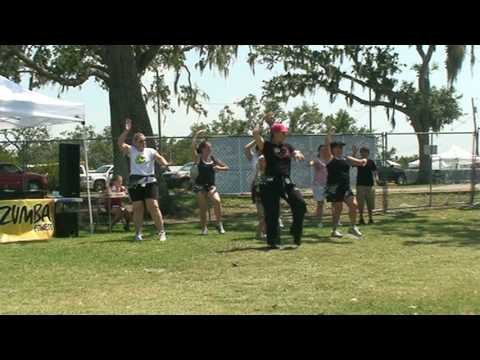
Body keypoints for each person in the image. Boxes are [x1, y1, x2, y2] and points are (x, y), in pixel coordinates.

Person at [253, 122, 307, 249]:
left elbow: (296, 152)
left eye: (285, 132)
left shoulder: (287, 146)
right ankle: (273, 242)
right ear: (274, 134)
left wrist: (298, 154)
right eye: (282, 132)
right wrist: (261, 121)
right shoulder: (266, 145)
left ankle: (295, 232)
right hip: (270, 183)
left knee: (300, 204)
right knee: (272, 213)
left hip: (285, 181)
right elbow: (256, 134)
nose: (285, 134)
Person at [118, 118, 170, 242]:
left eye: (145, 141)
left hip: (150, 181)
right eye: (141, 141)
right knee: (138, 208)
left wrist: (165, 164)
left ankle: (161, 232)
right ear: (135, 142)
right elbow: (120, 143)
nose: (144, 143)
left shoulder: (150, 151)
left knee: (154, 206)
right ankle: (138, 233)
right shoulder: (131, 150)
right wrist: (126, 131)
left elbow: (160, 158)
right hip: (135, 181)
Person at [320, 127, 367, 238]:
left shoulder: (346, 158)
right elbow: (327, 144)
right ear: (332, 149)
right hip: (334, 188)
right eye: (337, 147)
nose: (339, 149)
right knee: (338, 209)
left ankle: (352, 227)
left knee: (354, 205)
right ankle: (334, 230)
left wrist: (363, 160)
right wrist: (329, 134)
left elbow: (360, 163)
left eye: (341, 147)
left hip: (345, 187)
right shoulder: (329, 158)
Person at [192, 130, 230, 235]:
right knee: (203, 208)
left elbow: (227, 168)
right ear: (203, 149)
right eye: (208, 148)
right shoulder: (198, 158)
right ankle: (204, 228)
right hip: (199, 186)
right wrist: (197, 135)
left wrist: (218, 168)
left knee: (217, 201)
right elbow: (193, 145)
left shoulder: (213, 159)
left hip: (211, 186)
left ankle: (219, 224)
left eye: (210, 148)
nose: (210, 149)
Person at [244, 140, 267, 240]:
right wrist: (256, 138)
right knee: (261, 213)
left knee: (267, 211)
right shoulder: (254, 157)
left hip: (267, 184)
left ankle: (265, 232)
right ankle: (261, 232)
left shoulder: (268, 158)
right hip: (257, 185)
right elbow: (246, 148)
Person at [354, 146, 378, 225]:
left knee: (370, 203)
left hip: (369, 185)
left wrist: (376, 179)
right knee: (360, 203)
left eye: (366, 152)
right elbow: (352, 163)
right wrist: (354, 152)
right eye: (362, 152)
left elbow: (375, 171)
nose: (364, 153)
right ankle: (361, 218)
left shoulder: (371, 162)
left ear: (368, 153)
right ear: (360, 153)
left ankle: (371, 218)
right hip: (360, 185)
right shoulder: (359, 161)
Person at [309, 144, 328, 228]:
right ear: (319, 151)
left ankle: (337, 220)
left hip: (329, 184)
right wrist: (310, 163)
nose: (324, 151)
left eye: (325, 150)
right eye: (322, 150)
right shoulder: (317, 160)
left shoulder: (329, 160)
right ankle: (319, 222)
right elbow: (312, 162)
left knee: (335, 202)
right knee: (320, 203)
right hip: (319, 185)